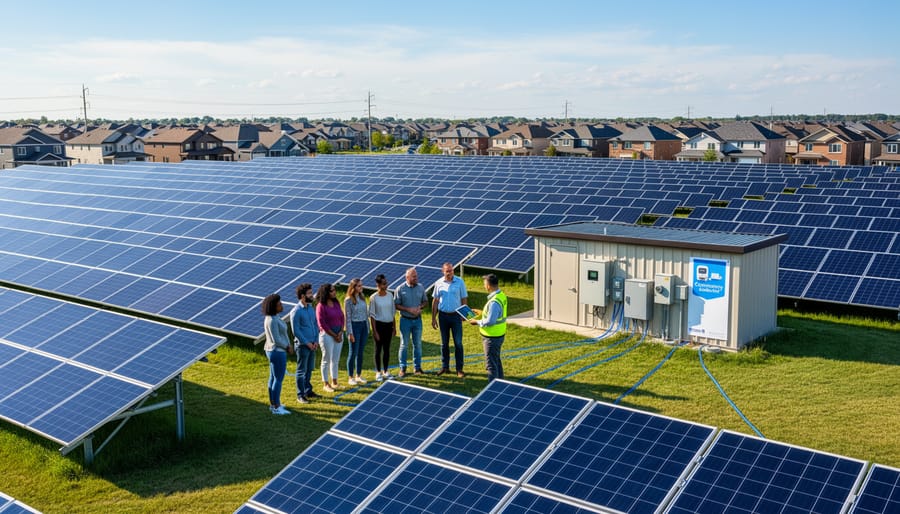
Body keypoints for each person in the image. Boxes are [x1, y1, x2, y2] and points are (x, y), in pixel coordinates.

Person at [431, 262, 468, 378]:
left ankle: (459, 369)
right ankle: (445, 367)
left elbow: (464, 298)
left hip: (456, 316)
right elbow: (435, 301)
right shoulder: (439, 283)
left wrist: (464, 314)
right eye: (447, 271)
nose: (450, 273)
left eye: (451, 270)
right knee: (444, 343)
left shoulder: (460, 282)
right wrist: (433, 318)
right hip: (443, 316)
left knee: (458, 343)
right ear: (443, 272)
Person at [468, 274, 507, 382]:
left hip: (492, 337)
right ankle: (501, 385)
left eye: (484, 284)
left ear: (489, 285)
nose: (484, 286)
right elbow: (495, 314)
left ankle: (493, 390)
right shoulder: (501, 295)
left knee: (491, 365)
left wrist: (477, 322)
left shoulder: (494, 302)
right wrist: (482, 312)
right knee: (496, 361)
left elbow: (490, 321)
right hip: (498, 335)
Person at [395, 267, 428, 377]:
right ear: (407, 277)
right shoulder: (400, 289)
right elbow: (396, 305)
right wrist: (408, 309)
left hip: (417, 321)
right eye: (414, 276)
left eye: (416, 276)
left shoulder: (421, 287)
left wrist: (420, 307)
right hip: (405, 320)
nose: (416, 278)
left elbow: (425, 301)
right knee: (404, 344)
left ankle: (417, 368)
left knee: (417, 344)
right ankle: (402, 368)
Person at [262, 293, 291, 415]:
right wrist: (287, 347)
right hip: (277, 351)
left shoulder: (273, 318)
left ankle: (273, 403)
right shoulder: (272, 321)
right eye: (279, 304)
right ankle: (276, 406)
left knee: (273, 377)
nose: (282, 305)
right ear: (274, 306)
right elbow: (276, 339)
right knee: (278, 379)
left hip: (273, 351)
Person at [290, 283, 318, 404]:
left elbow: (315, 325)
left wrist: (316, 341)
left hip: (313, 344)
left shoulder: (311, 309)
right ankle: (300, 395)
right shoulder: (296, 311)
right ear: (302, 296)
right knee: (301, 371)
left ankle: (308, 390)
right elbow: (296, 331)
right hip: (303, 346)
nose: (312, 295)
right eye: (309, 293)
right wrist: (307, 343)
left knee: (309, 369)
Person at [316, 283, 344, 392]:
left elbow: (342, 317)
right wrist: (334, 335)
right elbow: (322, 323)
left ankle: (335, 382)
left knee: (335, 360)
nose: (334, 292)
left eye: (334, 290)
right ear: (326, 293)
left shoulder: (336, 303)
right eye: (332, 291)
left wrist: (341, 332)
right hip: (327, 336)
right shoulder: (320, 306)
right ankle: (326, 383)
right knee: (326, 360)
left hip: (339, 334)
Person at [369, 273, 397, 381]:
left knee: (387, 349)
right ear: (379, 285)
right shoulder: (373, 298)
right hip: (379, 326)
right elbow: (372, 316)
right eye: (384, 283)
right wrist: (375, 331)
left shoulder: (390, 295)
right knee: (378, 349)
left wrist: (394, 327)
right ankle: (378, 372)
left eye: (386, 283)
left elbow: (392, 312)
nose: (386, 285)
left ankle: (386, 371)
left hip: (388, 325)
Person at [344, 278, 369, 386]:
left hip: (363, 325)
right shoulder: (348, 300)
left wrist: (367, 328)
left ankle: (358, 375)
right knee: (353, 352)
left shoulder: (362, 298)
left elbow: (365, 314)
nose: (361, 288)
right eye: (359, 286)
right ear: (353, 287)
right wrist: (350, 333)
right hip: (354, 326)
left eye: (361, 285)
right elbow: (348, 317)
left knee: (360, 352)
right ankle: (350, 377)